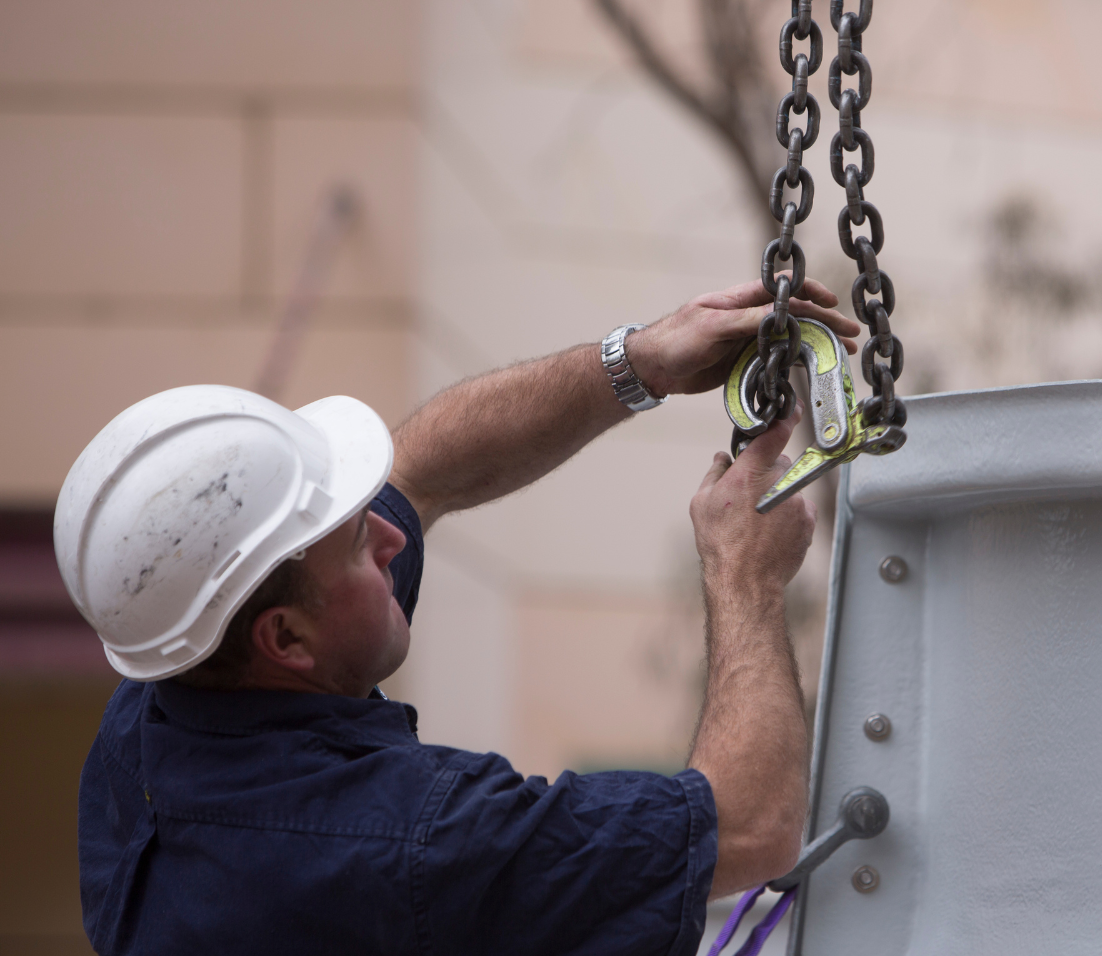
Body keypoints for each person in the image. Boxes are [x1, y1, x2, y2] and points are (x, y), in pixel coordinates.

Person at [59, 277, 860, 955]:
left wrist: (638, 362)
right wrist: (744, 573)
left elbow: (422, 468)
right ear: (286, 640)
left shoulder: (158, 713)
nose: (386, 531)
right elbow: (751, 826)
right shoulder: (411, 842)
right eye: (353, 543)